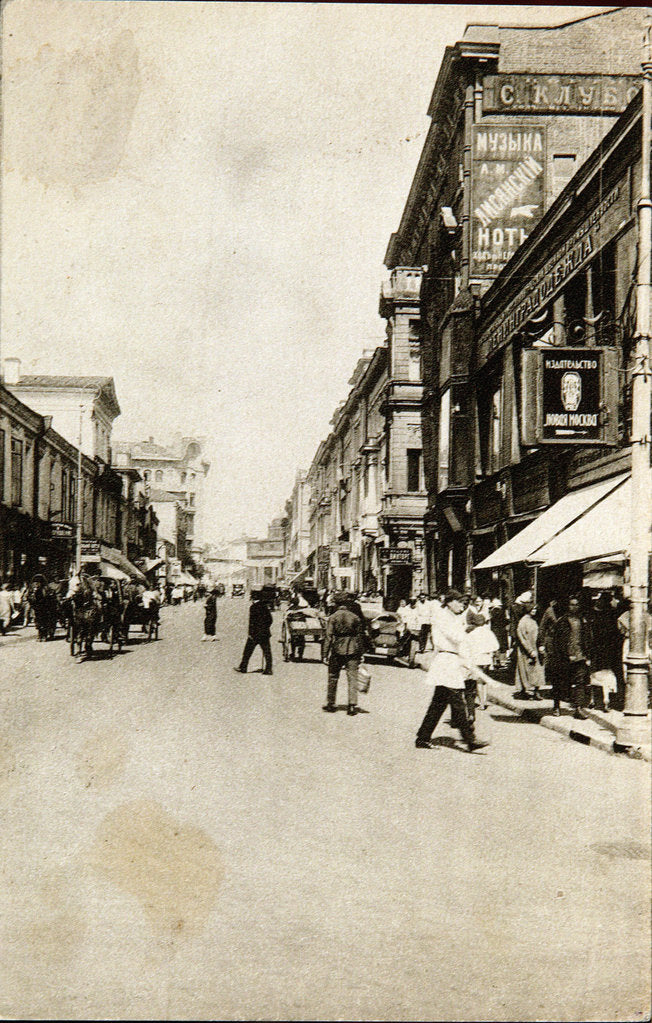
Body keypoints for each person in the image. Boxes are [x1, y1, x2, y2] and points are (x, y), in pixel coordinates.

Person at [415, 590, 490, 752]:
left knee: (438, 704)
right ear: (449, 602)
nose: (462, 605)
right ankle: (469, 739)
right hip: (446, 661)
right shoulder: (442, 616)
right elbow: (455, 637)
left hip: (452, 661)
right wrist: (469, 631)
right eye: (460, 602)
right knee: (458, 702)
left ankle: (422, 737)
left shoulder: (454, 618)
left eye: (464, 603)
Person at [322, 592, 365, 715]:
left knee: (333, 676)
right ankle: (352, 705)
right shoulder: (354, 617)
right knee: (352, 677)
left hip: (337, 649)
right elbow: (359, 636)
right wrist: (361, 653)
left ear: (337, 603)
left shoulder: (333, 617)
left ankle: (331, 703)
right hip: (353, 649)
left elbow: (328, 637)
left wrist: (325, 654)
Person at [553, 595, 594, 719]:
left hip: (580, 656)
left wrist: (588, 655)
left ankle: (578, 708)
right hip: (565, 657)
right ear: (568, 606)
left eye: (576, 604)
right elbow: (557, 641)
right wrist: (565, 654)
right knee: (561, 682)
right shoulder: (562, 621)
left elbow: (588, 638)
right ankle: (556, 706)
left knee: (580, 682)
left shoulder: (583, 621)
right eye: (572, 604)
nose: (574, 607)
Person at [514, 591, 544, 700]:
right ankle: (526, 691)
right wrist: (530, 650)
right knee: (526, 671)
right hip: (526, 651)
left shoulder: (533, 621)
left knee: (536, 671)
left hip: (535, 647)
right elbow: (522, 638)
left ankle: (536, 691)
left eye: (536, 609)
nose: (534, 611)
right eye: (533, 609)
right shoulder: (523, 622)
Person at [234, 590, 273, 675]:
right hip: (264, 634)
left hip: (255, 634)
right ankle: (268, 669)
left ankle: (243, 667)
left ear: (253, 598)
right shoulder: (265, 606)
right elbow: (270, 620)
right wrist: (265, 628)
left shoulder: (253, 607)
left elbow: (252, 622)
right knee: (267, 652)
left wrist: (250, 633)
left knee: (247, 651)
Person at [538, 598, 563, 714]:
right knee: (556, 675)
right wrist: (541, 644)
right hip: (553, 645)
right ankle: (556, 705)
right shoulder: (549, 611)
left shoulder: (570, 612)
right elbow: (542, 627)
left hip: (567, 646)